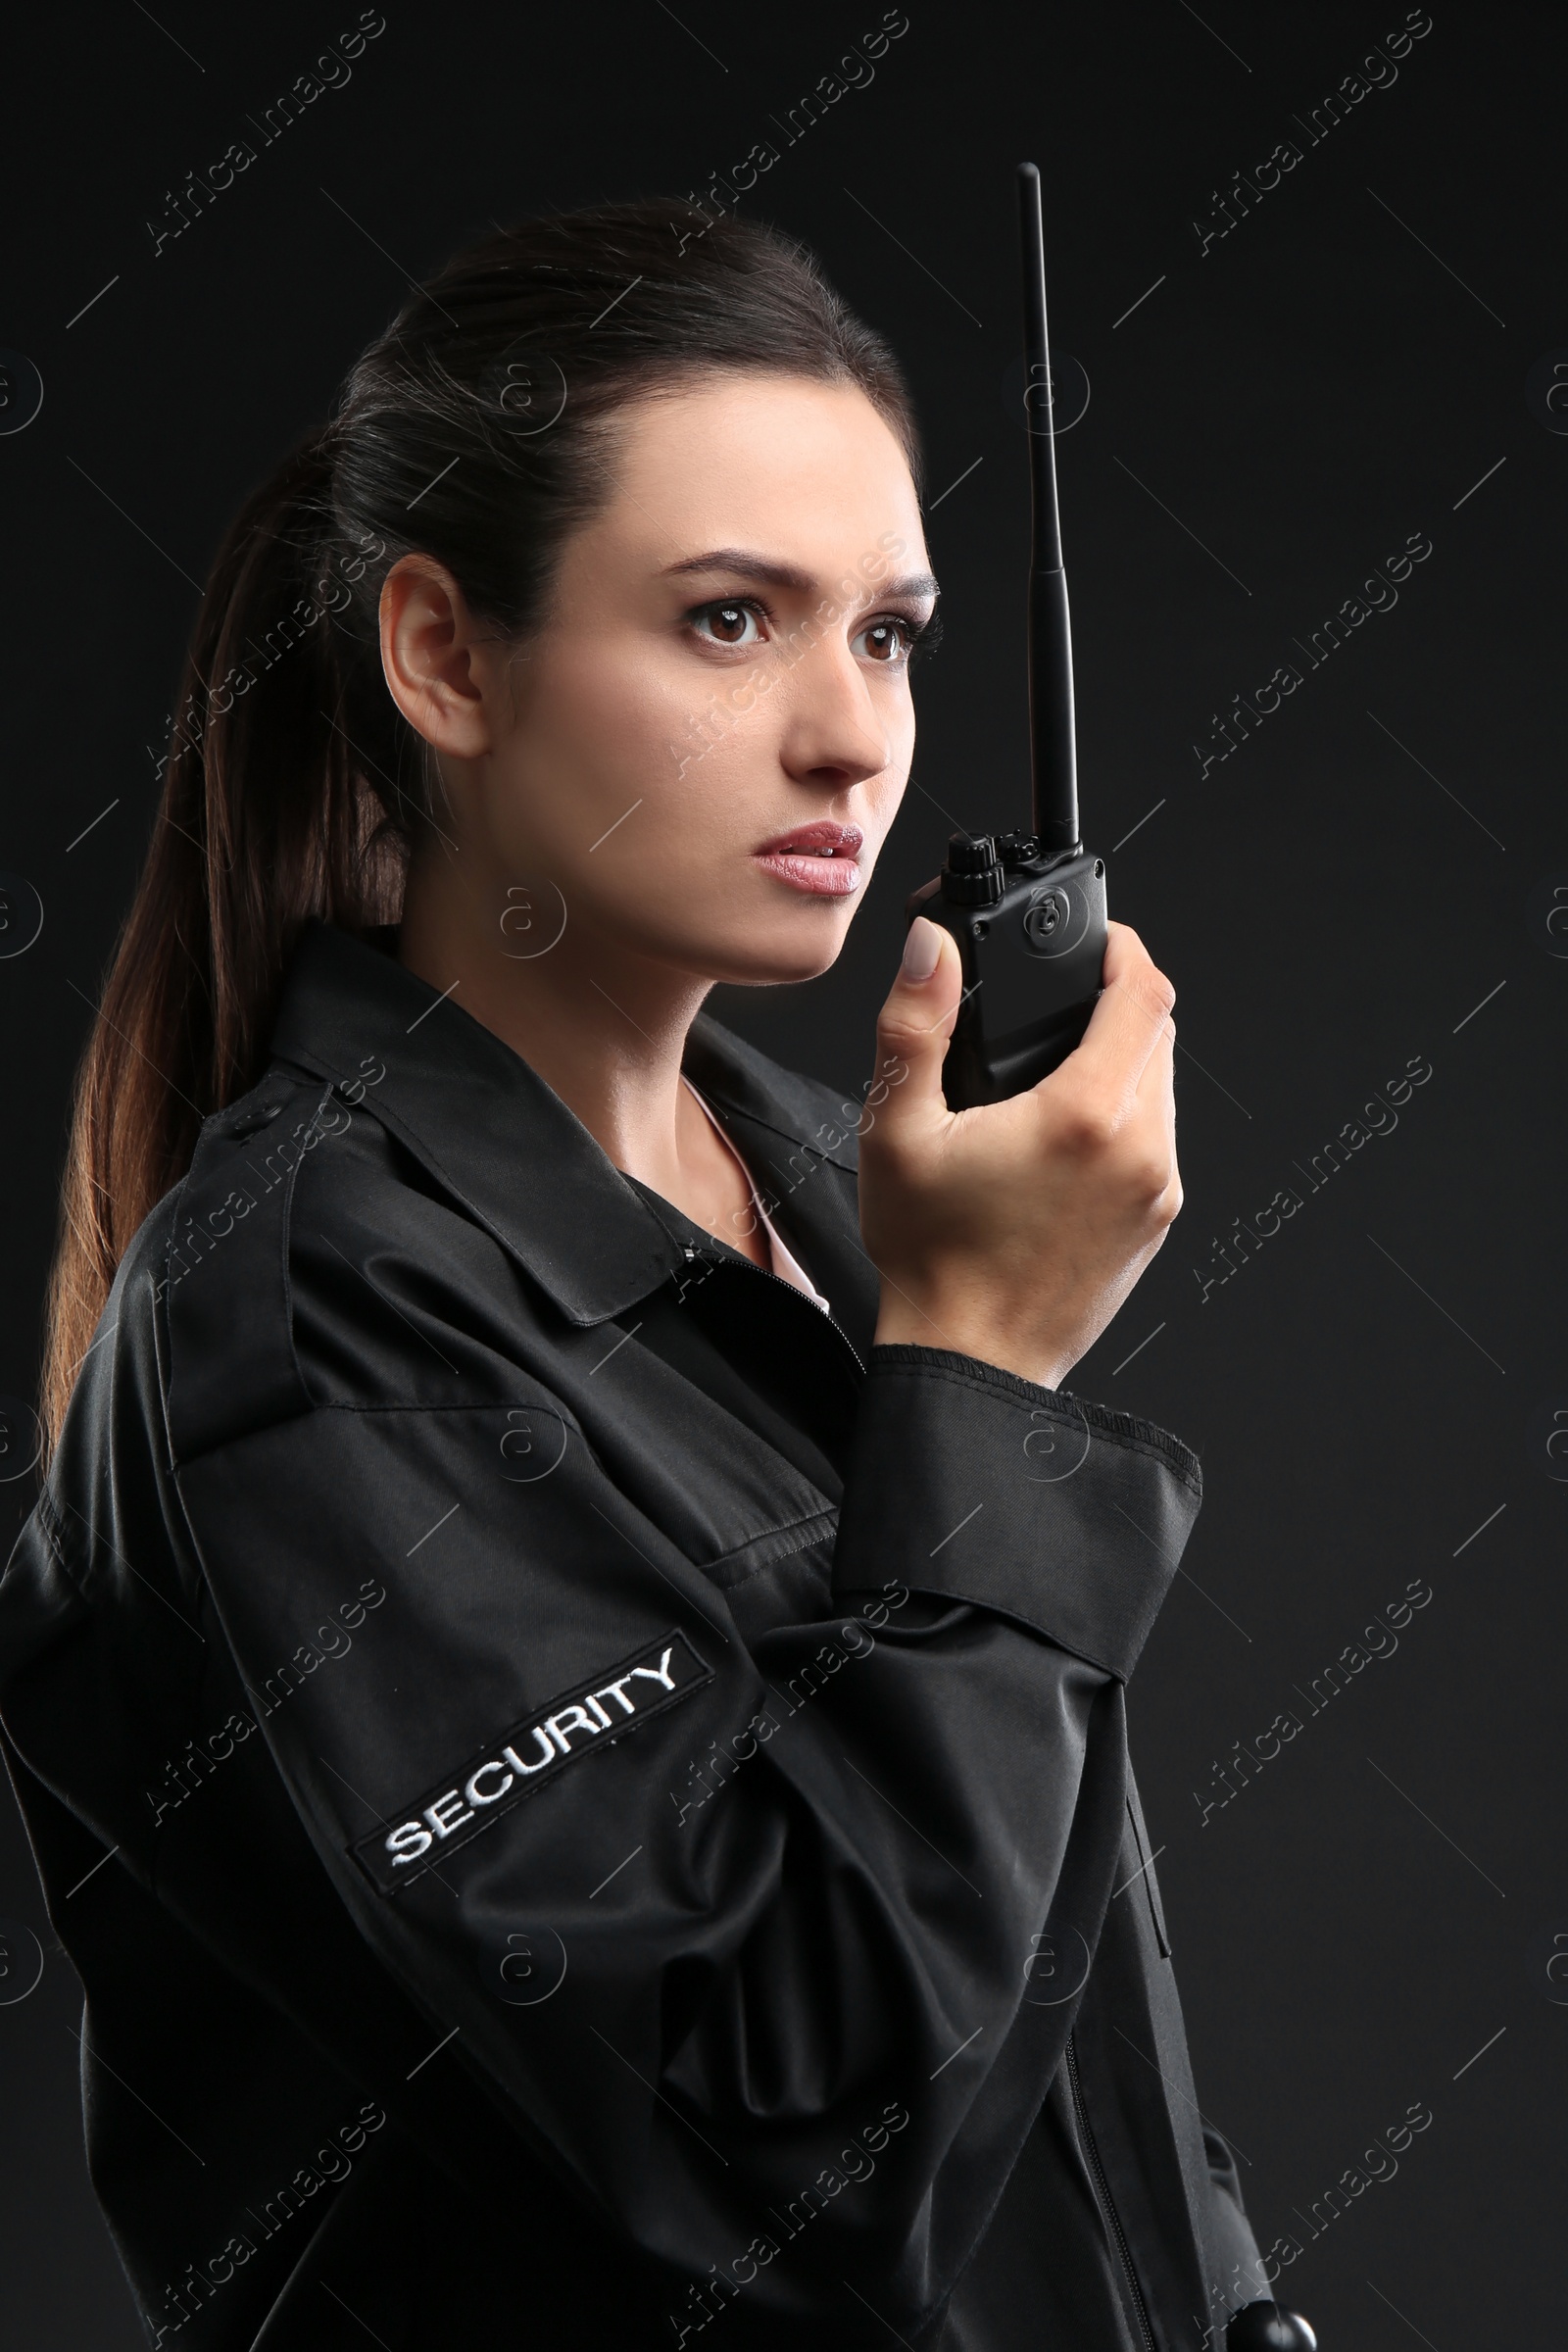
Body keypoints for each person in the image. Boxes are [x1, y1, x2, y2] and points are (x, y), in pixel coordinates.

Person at [0, 197, 1283, 2351]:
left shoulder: (831, 1172)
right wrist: (980, 1374)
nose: (848, 739)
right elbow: (799, 2155)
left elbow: (1022, 1998)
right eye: (722, 622)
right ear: (442, 657)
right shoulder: (308, 1335)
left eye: (885, 632)